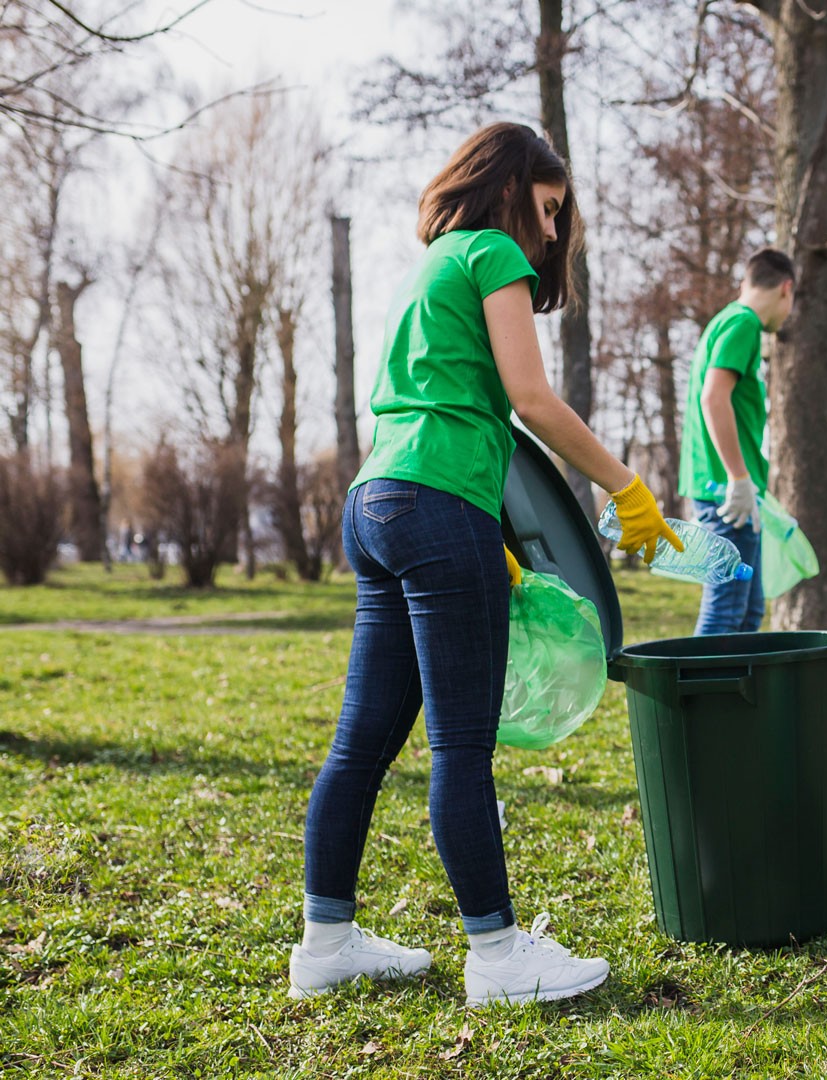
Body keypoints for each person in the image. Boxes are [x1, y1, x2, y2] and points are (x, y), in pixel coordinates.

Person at [292, 123, 682, 1006]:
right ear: (510, 189)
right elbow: (530, 399)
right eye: (548, 211)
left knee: (360, 745)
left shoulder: (430, 264)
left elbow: (449, 404)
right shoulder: (494, 253)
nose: (549, 235)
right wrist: (625, 486)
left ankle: (326, 941)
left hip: (378, 500)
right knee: (461, 748)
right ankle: (498, 957)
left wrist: (492, 541)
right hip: (437, 507)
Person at [679, 248, 795, 635]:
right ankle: (697, 697)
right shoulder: (744, 324)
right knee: (726, 612)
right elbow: (713, 397)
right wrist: (739, 478)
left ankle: (734, 696)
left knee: (746, 613)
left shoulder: (726, 322)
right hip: (727, 493)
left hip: (726, 488)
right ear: (786, 289)